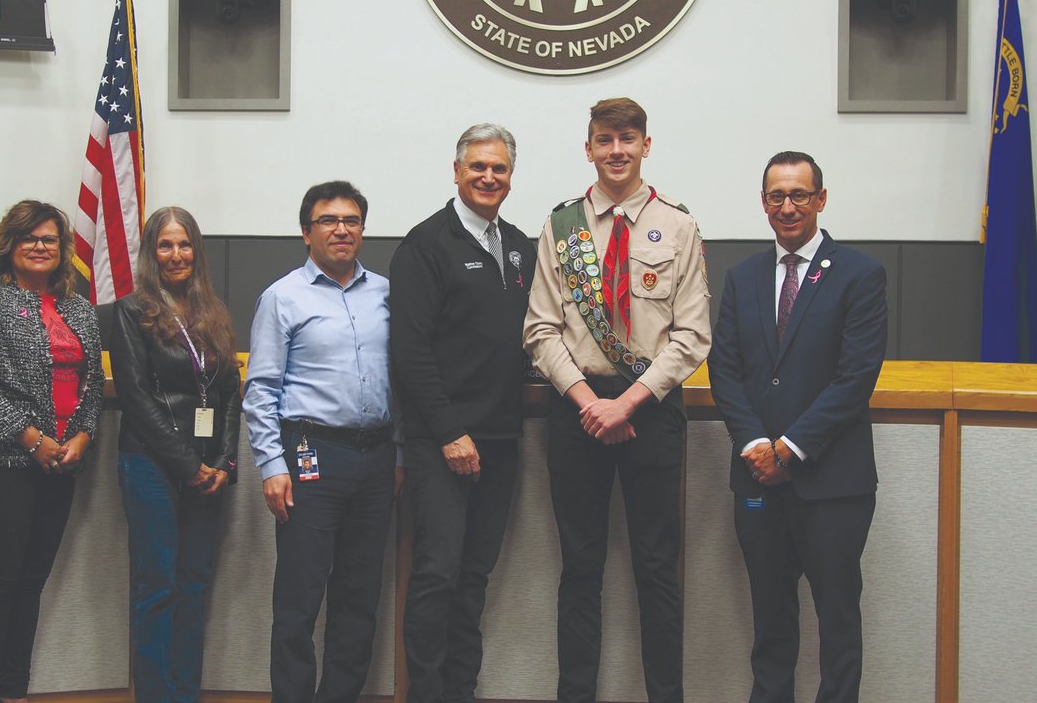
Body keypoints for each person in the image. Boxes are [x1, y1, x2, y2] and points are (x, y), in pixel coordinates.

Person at [523, 97, 711, 703]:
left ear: (646, 145)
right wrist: (589, 402)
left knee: (657, 569)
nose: (617, 151)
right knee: (580, 568)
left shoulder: (678, 226)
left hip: (650, 409)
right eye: (605, 140)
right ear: (589, 149)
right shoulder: (561, 227)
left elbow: (692, 335)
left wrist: (626, 403)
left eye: (628, 139)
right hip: (577, 407)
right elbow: (540, 330)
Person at [708, 151, 888, 703]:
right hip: (757, 480)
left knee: (837, 618)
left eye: (799, 195)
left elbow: (855, 378)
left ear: (821, 199)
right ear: (763, 203)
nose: (787, 207)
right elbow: (725, 370)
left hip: (832, 483)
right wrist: (756, 444)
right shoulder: (743, 277)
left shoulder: (860, 274)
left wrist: (788, 449)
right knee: (770, 621)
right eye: (776, 196)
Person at [389, 123, 535, 703]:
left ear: (511, 177)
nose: (488, 177)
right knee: (437, 575)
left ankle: (460, 692)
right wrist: (450, 432)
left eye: (499, 168)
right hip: (442, 443)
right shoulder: (425, 245)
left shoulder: (520, 246)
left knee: (474, 578)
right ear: (456, 172)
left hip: (500, 440)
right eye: (478, 166)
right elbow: (410, 353)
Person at [243, 180, 402, 703]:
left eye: (351, 220)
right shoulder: (283, 297)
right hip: (310, 457)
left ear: (362, 229)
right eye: (328, 221)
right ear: (306, 232)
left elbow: (404, 380)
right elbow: (261, 390)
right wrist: (272, 465)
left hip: (376, 458)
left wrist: (399, 453)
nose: (341, 229)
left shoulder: (387, 294)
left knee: (359, 597)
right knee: (299, 597)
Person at [0, 199, 104, 703]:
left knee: (32, 581)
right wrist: (31, 438)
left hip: (60, 463)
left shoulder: (80, 310)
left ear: (63, 249)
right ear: (9, 245)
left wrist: (83, 436)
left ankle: (15, 690)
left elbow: (92, 387)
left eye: (49, 239)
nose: (40, 246)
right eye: (29, 237)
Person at [110, 206, 242, 701]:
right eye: (165, 245)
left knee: (194, 585)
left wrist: (224, 464)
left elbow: (230, 394)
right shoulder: (132, 311)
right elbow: (135, 398)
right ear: (151, 252)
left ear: (196, 251)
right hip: (151, 465)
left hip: (208, 470)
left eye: (184, 244)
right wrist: (188, 467)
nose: (176, 254)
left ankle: (185, 692)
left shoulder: (214, 312)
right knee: (157, 586)